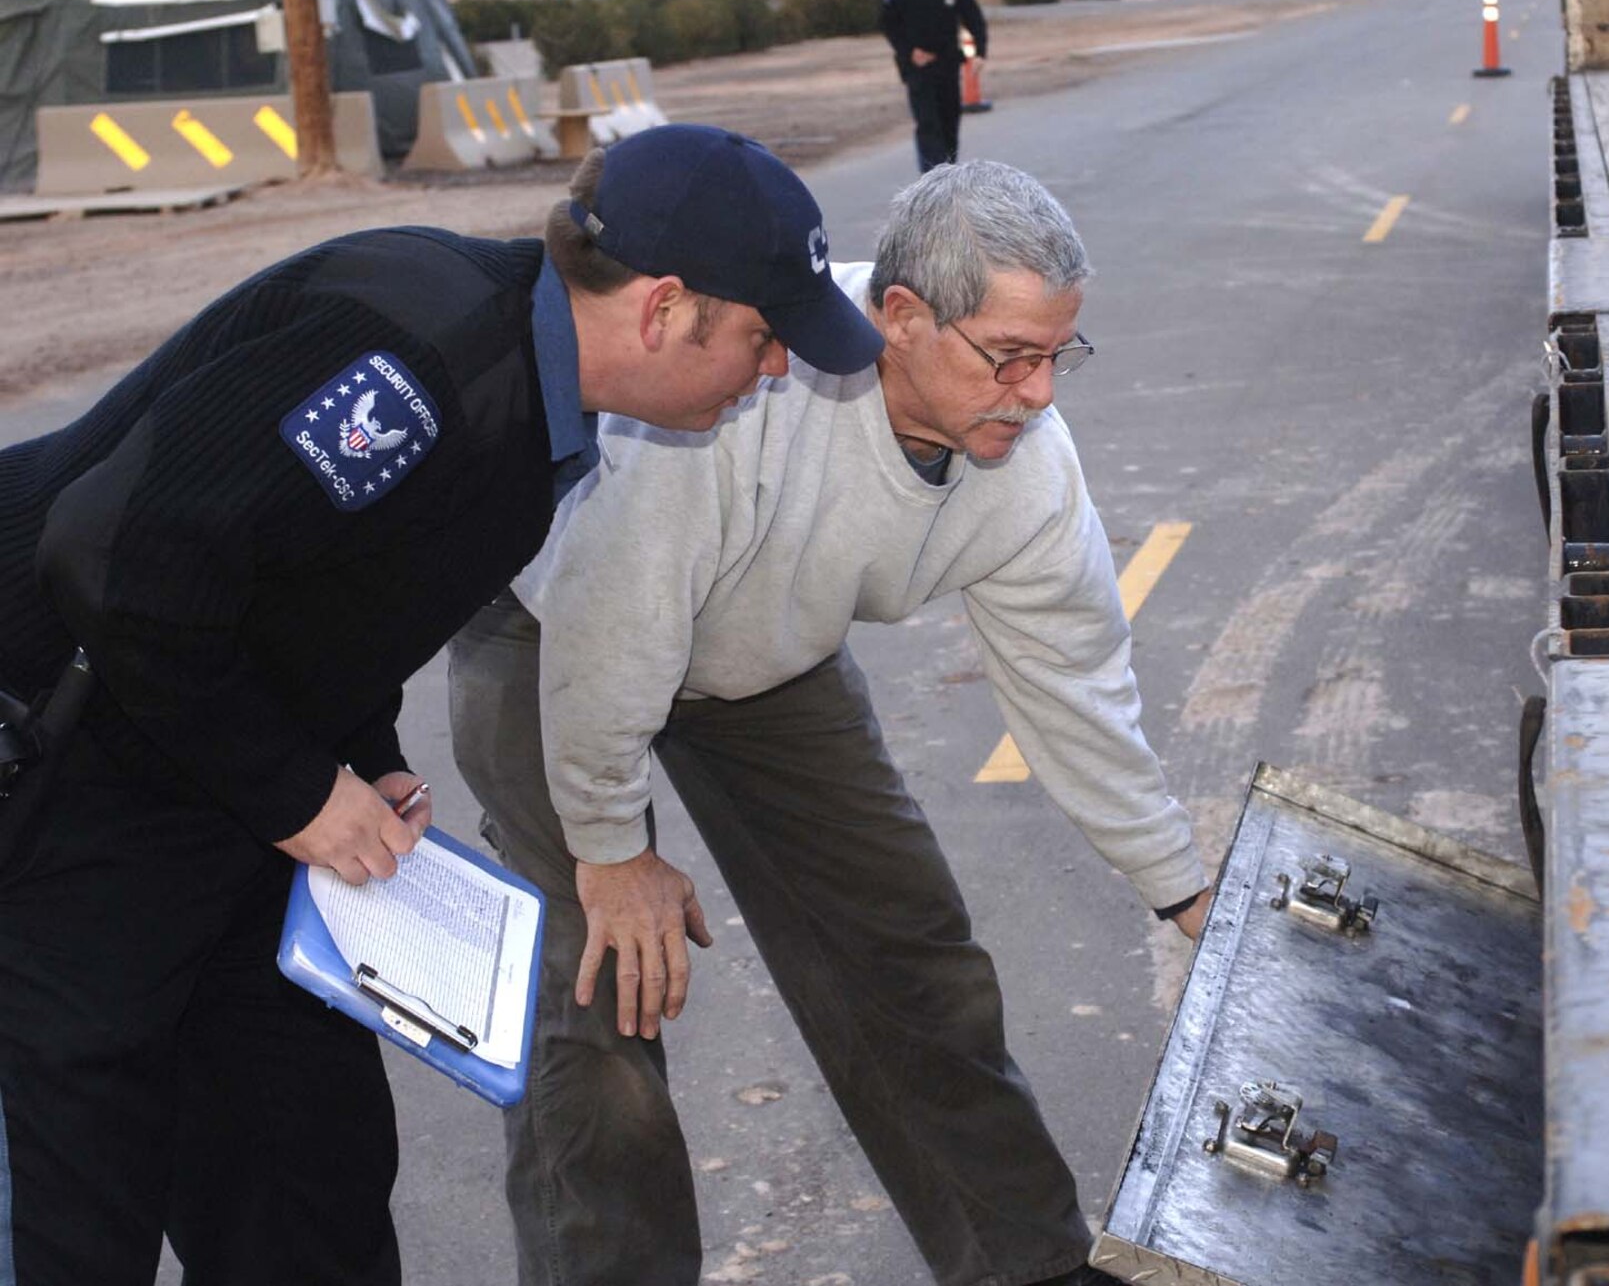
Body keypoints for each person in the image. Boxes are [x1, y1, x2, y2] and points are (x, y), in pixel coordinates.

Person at [0, 123, 881, 1286]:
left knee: (308, 1184)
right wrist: (299, 790)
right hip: (63, 781)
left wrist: (356, 760)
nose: (775, 372)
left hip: (215, 794)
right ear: (664, 309)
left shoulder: (531, 410)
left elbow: (301, 584)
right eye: (765, 338)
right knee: (77, 1213)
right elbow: (116, 559)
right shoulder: (418, 365)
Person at [448, 159, 1212, 1286]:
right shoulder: (746, 378)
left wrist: (1181, 886)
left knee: (911, 956)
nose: (1040, 392)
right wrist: (612, 852)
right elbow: (617, 621)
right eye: (1010, 356)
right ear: (899, 317)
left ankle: (1026, 1267)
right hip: (556, 631)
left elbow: (1074, 681)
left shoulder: (1025, 468)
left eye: (1059, 355)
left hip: (764, 655)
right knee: (596, 998)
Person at [881, 0, 988, 172]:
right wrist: (909, 52)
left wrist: (980, 52)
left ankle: (948, 176)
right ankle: (932, 181)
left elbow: (973, 17)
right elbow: (888, 24)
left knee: (949, 121)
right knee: (927, 124)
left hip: (947, 65)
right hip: (917, 69)